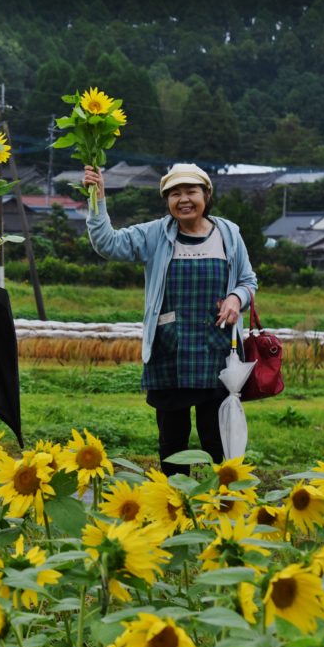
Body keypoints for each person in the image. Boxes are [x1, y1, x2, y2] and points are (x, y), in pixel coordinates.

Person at [83, 163, 257, 476]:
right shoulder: (154, 234)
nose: (183, 199)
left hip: (218, 355)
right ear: (167, 201)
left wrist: (236, 298)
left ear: (206, 195)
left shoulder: (228, 234)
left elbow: (248, 280)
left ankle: (224, 507)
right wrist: (97, 198)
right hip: (170, 353)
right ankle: (175, 508)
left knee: (219, 444)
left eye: (191, 191)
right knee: (173, 446)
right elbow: (107, 243)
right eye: (174, 193)